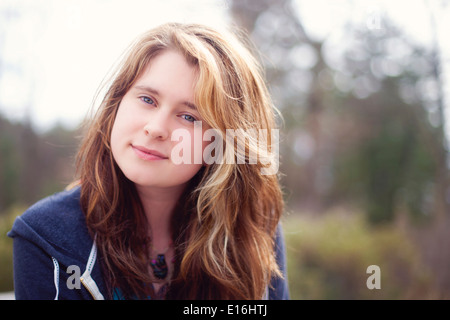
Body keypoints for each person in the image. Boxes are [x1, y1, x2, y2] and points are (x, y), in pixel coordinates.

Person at [8, 22, 289, 300]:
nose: (156, 128)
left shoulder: (253, 226)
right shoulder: (47, 238)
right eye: (147, 99)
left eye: (189, 117)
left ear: (222, 144)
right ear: (116, 104)